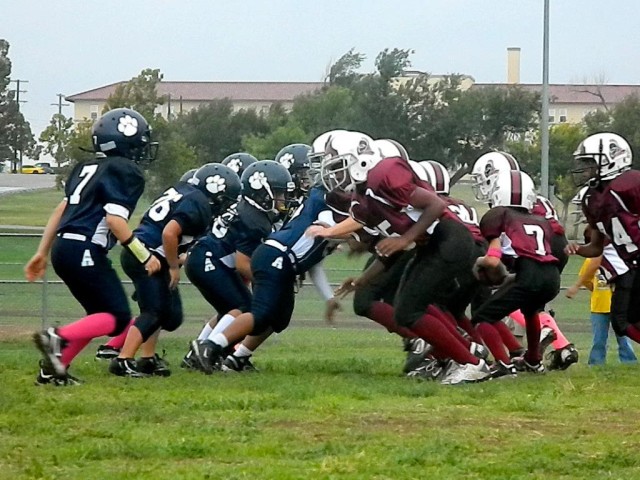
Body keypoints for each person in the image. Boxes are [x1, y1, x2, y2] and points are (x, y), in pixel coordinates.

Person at [311, 131, 491, 385]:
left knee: (411, 309)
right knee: (403, 311)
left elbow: (436, 206)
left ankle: (471, 363)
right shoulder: (363, 202)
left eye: (338, 167)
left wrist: (405, 239)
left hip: (449, 237)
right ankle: (461, 357)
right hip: (433, 245)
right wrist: (362, 280)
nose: (334, 176)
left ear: (359, 161)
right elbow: (389, 250)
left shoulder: (384, 173)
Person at [27, 108, 158, 385]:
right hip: (85, 248)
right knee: (119, 317)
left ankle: (53, 370)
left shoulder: (84, 168)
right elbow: (114, 221)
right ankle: (57, 339)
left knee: (98, 315)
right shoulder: (124, 170)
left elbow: (61, 210)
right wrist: (144, 255)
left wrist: (42, 251)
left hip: (65, 248)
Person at [190, 182, 343, 374]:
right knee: (260, 312)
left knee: (280, 317)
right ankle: (210, 346)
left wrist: (329, 298)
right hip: (275, 256)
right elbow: (328, 221)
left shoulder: (333, 215)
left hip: (283, 262)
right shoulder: (328, 209)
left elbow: (315, 263)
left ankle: (238, 358)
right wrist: (338, 231)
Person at [180, 160, 294, 370]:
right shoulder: (256, 220)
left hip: (202, 257)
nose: (282, 199)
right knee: (242, 307)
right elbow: (242, 264)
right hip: (209, 261)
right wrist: (267, 282)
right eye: (278, 194)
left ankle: (193, 355)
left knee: (228, 308)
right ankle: (208, 350)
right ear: (263, 192)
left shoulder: (247, 209)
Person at [471, 170, 561, 376]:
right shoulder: (541, 221)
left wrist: (479, 261)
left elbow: (493, 260)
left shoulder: (501, 216)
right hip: (551, 277)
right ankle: (533, 360)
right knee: (530, 312)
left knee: (482, 317)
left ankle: (503, 364)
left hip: (529, 277)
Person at [566, 132, 640, 344]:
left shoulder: (631, 183)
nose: (586, 169)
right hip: (633, 264)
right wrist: (579, 249)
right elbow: (596, 247)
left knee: (625, 319)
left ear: (613, 159)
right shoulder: (591, 199)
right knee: (626, 320)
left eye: (591, 163)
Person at [566, 230, 636, 366]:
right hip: (599, 305)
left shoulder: (618, 258)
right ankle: (596, 363)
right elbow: (586, 278)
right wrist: (595, 289)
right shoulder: (591, 260)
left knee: (623, 337)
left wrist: (575, 287)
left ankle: (629, 362)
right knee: (599, 339)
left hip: (618, 304)